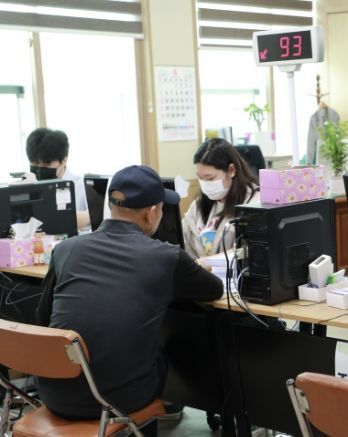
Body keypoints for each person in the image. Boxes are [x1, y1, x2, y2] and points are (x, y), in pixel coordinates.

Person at [35, 165, 223, 427]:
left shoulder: (66, 249)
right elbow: (214, 289)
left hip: (53, 393)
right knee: (162, 349)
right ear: (151, 213)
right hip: (116, 400)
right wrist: (192, 269)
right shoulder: (166, 257)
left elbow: (42, 318)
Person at [182, 138, 259, 259]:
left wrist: (208, 263)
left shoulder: (254, 203)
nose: (205, 184)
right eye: (200, 178)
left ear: (231, 170)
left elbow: (251, 251)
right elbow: (183, 238)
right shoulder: (199, 204)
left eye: (210, 178)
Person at [25, 128, 90, 230]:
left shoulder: (81, 186)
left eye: (46, 164)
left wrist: (86, 216)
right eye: (35, 164)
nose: (40, 169)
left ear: (64, 160)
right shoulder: (26, 186)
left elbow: (97, 218)